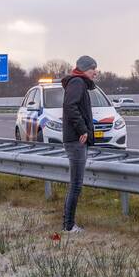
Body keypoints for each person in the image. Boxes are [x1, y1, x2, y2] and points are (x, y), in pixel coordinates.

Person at [61, 55, 98, 233]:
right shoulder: (77, 82)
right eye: (93, 69)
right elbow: (70, 106)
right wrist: (83, 130)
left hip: (77, 139)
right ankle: (69, 226)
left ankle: (68, 224)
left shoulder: (79, 83)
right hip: (76, 140)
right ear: (84, 69)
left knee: (75, 184)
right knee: (76, 184)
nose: (95, 72)